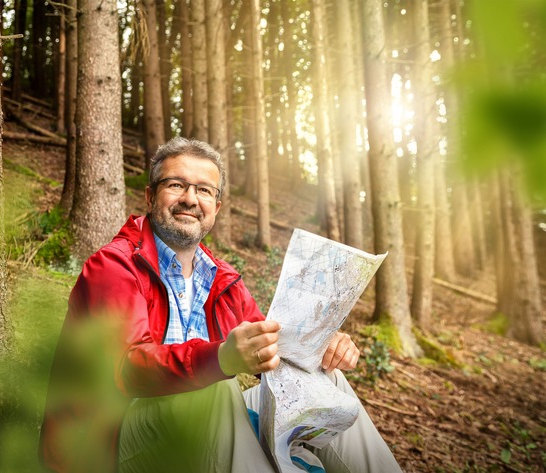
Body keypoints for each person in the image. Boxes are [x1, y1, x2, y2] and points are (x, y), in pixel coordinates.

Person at [40, 137, 402, 473]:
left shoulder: (221, 278)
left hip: (196, 435)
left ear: (216, 206)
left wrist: (323, 347)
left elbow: (274, 353)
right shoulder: (115, 265)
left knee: (329, 381)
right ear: (150, 197)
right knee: (212, 384)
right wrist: (220, 358)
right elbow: (125, 370)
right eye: (176, 185)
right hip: (109, 443)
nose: (190, 199)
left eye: (203, 190)